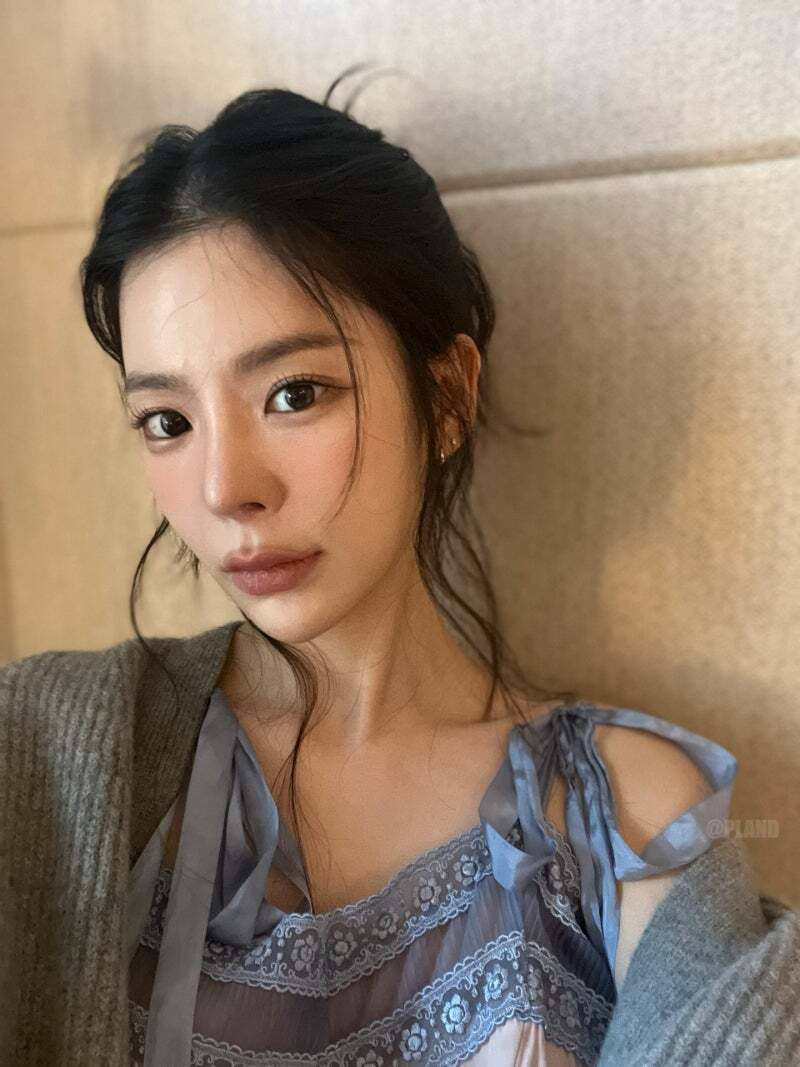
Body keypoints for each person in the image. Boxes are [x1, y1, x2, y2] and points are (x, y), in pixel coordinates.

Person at [2, 64, 797, 1067]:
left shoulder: (625, 819)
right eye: (167, 420)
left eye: (294, 393)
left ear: (449, 396)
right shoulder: (42, 755)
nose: (226, 487)